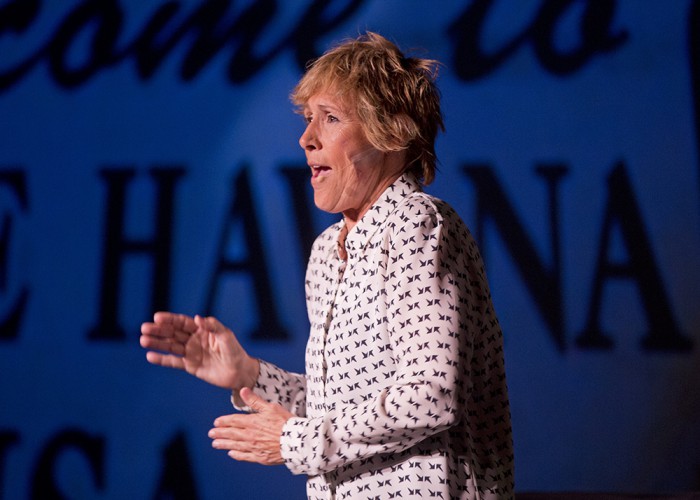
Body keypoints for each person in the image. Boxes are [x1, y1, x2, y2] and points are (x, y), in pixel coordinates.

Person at [140, 32, 514, 499]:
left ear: (392, 132)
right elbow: (340, 412)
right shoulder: (326, 252)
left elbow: (431, 397)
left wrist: (294, 441)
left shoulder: (416, 226)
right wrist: (249, 375)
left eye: (330, 119)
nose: (306, 138)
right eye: (307, 119)